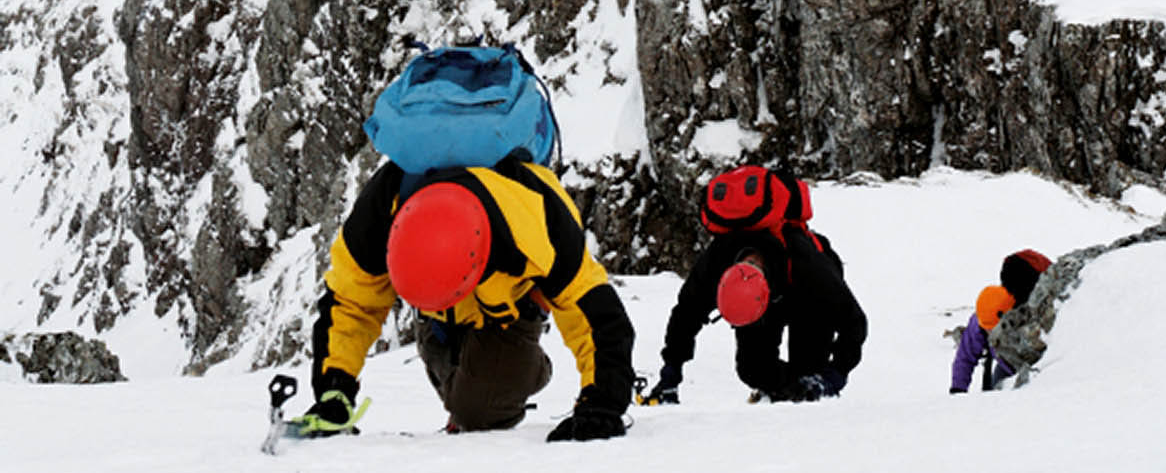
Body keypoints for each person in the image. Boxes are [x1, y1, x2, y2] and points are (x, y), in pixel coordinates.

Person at [298, 156, 636, 441]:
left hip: (509, 312)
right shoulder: (380, 212)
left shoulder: (535, 220)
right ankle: (478, 368)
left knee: (479, 412)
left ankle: (527, 368)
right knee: (458, 387)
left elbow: (596, 315)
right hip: (439, 318)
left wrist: (602, 402)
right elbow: (350, 305)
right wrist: (335, 390)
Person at [640, 224, 868, 404]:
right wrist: (671, 371)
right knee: (753, 369)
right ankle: (785, 394)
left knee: (809, 374)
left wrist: (836, 374)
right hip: (766, 293)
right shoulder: (715, 264)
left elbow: (855, 322)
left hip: (805, 300)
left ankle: (806, 405)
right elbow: (685, 316)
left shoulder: (809, 269)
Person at [949, 249, 1051, 394]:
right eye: (987, 330)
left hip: (1039, 364)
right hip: (1006, 365)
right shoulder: (981, 317)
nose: (990, 332)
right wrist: (958, 388)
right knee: (996, 393)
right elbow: (966, 355)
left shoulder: (1028, 315)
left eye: (994, 329)